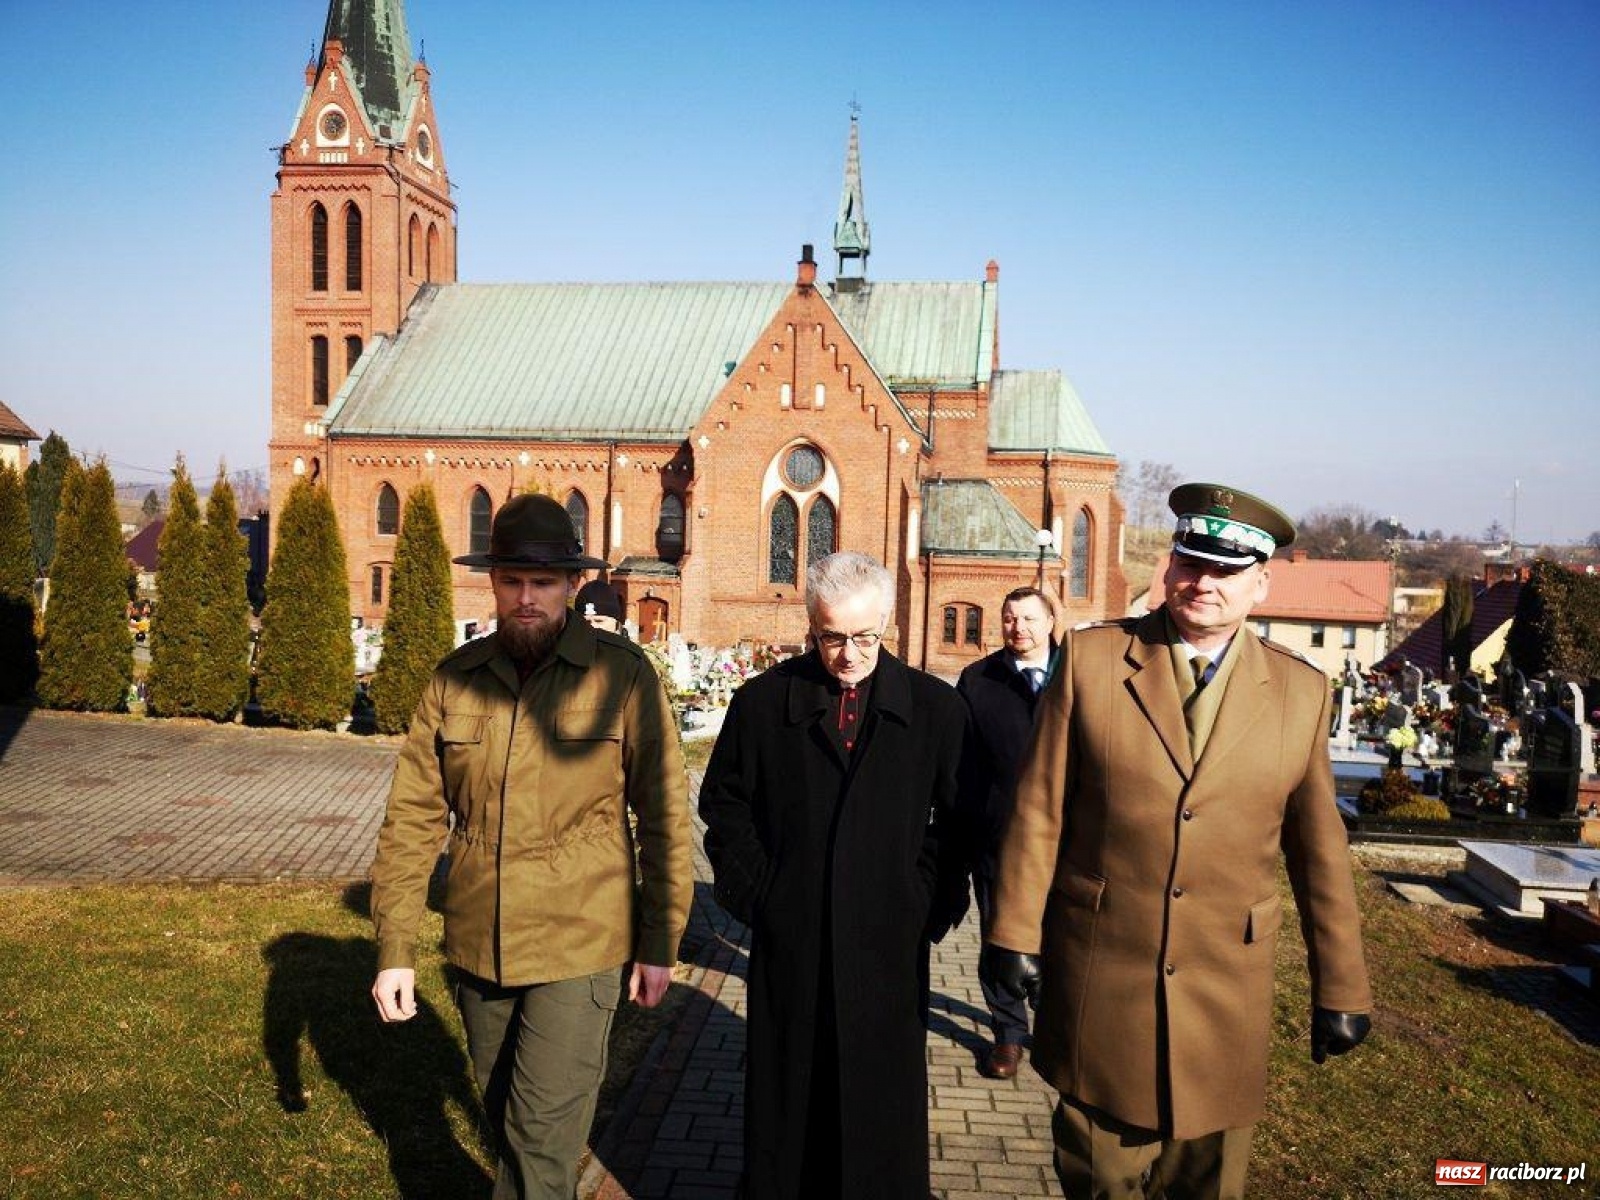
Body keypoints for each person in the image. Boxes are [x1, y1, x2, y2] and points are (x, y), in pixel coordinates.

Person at [983, 483, 1372, 1200]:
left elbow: (1319, 855)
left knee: (1208, 1186)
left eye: (1226, 571)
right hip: (1106, 979)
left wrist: (1340, 988)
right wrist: (1012, 932)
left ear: (1261, 582)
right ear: (1168, 567)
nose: (1204, 584)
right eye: (1192, 563)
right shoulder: (1096, 662)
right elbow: (1039, 807)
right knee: (1099, 1180)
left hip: (1227, 998)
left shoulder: (1299, 694)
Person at [368, 492, 694, 1200]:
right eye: (512, 580)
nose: (525, 599)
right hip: (479, 943)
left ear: (573, 585)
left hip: (581, 941)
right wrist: (395, 948)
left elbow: (666, 814)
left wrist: (659, 938)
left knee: (541, 1141)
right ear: (492, 580)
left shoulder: (621, 674)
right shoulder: (455, 680)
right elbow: (412, 821)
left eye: (543, 583)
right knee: (505, 1118)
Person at [699, 551, 968, 1200]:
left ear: (888, 626)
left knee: (881, 1105)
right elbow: (725, 807)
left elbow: (959, 823)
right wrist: (762, 893)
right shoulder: (764, 704)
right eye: (832, 637)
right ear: (810, 627)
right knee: (790, 1099)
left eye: (865, 637)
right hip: (792, 939)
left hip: (886, 943)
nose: (849, 654)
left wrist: (922, 901)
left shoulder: (934, 709)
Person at [955, 585, 1058, 1079]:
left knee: (1062, 935)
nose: (1019, 628)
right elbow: (961, 763)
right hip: (998, 837)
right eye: (1010, 619)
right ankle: (1008, 1035)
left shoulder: (1078, 675)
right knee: (1001, 934)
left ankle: (1058, 1026)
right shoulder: (977, 680)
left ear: (1050, 622)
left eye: (1029, 619)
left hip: (1068, 839)